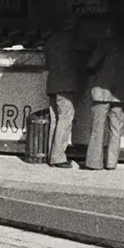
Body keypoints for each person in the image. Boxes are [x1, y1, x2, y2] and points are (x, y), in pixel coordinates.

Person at [85, 17, 124, 170]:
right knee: (116, 130)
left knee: (97, 128)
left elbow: (91, 63)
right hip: (121, 93)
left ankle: (94, 163)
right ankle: (111, 163)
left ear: (109, 29)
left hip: (102, 92)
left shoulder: (104, 43)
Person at [44, 19, 88, 169]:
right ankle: (58, 157)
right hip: (66, 84)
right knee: (65, 119)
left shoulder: (50, 40)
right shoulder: (71, 39)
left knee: (55, 120)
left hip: (52, 83)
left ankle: (51, 154)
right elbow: (85, 50)